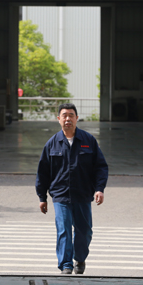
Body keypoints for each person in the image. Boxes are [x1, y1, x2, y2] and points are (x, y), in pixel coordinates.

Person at [35, 103, 109, 275]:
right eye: (64, 115)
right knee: (64, 230)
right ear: (58, 119)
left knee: (84, 232)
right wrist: (42, 197)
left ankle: (80, 258)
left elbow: (100, 167)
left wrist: (99, 189)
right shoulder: (52, 144)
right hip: (60, 195)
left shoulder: (88, 141)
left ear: (76, 118)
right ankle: (66, 265)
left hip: (83, 194)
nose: (68, 119)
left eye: (71, 115)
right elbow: (43, 172)